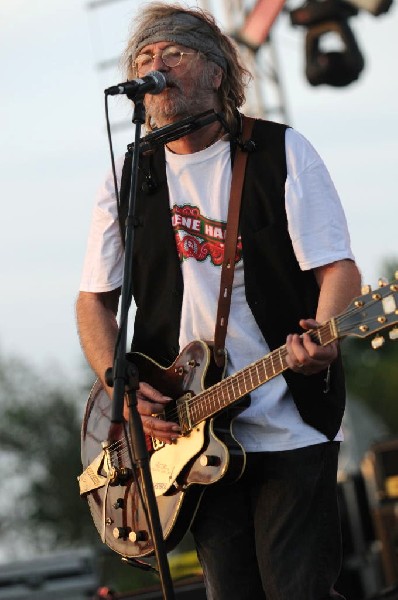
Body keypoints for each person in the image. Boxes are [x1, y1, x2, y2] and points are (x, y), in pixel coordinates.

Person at [76, 3, 362, 599]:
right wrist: (116, 381)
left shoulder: (281, 152)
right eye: (145, 57)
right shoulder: (129, 175)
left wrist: (325, 338)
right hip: (187, 438)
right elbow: (93, 302)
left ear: (215, 72)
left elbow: (338, 269)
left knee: (299, 590)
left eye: (173, 54)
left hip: (290, 423)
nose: (156, 66)